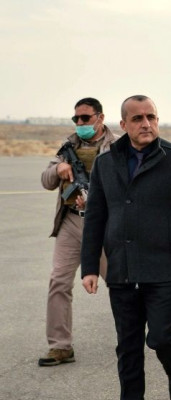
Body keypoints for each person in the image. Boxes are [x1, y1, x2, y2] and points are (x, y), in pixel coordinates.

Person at [81, 95, 171, 400]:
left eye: (151, 116)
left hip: (164, 268)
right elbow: (95, 218)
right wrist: (90, 267)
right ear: (123, 124)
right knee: (128, 349)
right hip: (121, 270)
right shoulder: (106, 163)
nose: (146, 123)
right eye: (137, 118)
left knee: (163, 337)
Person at [39, 97, 118, 366]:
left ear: (100, 117)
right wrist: (58, 169)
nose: (80, 123)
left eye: (85, 118)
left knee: (120, 284)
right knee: (58, 282)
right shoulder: (69, 145)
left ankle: (131, 337)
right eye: (77, 119)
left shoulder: (117, 146)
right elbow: (46, 180)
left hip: (106, 224)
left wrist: (97, 200)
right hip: (71, 222)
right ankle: (60, 346)